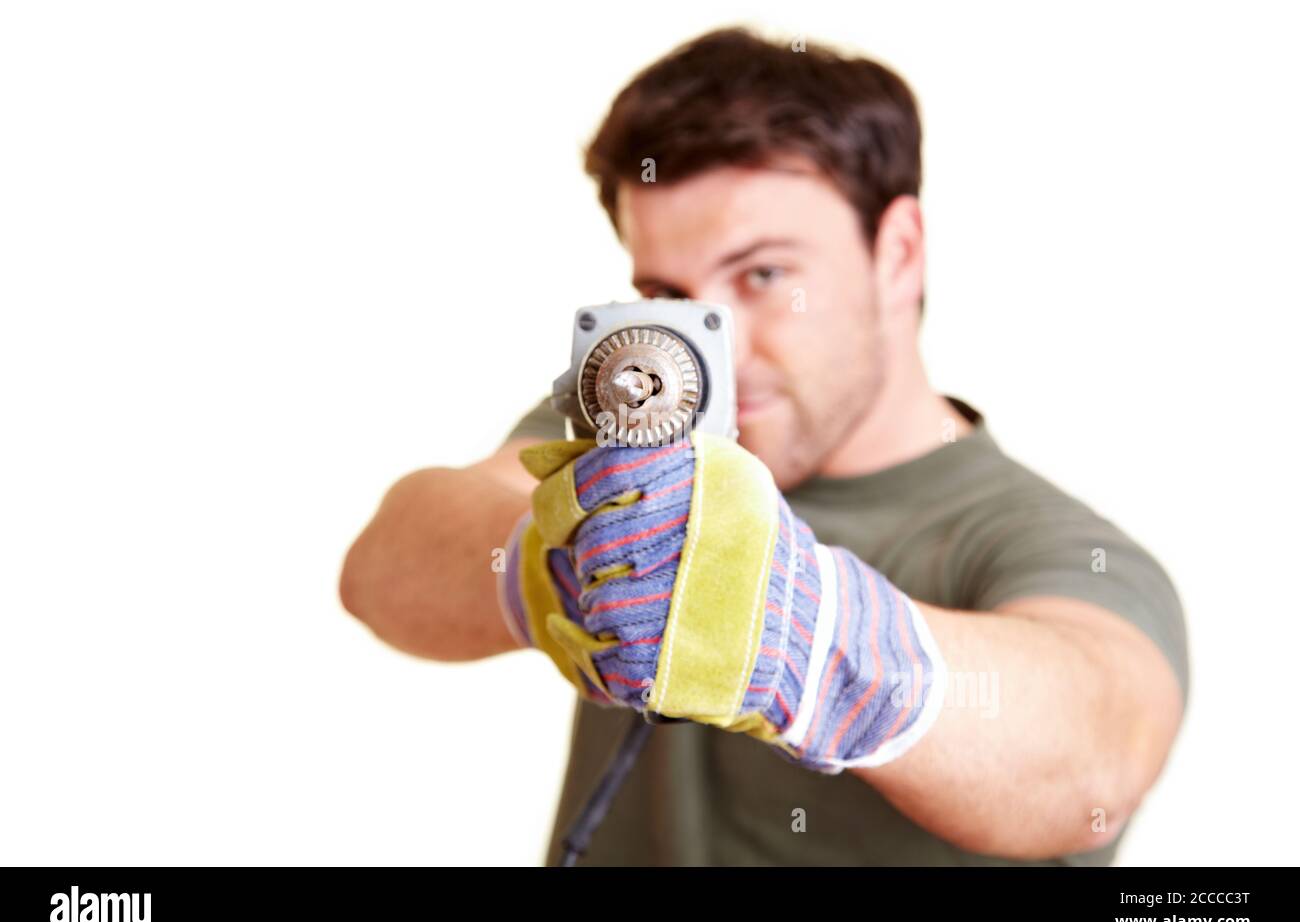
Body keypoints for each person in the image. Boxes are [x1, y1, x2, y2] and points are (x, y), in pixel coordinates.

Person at [340, 26, 1188, 865]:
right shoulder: (638, 415)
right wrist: (549, 566)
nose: (717, 352)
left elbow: (1091, 762)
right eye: (667, 296)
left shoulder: (1042, 542)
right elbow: (383, 569)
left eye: (764, 275)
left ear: (898, 254)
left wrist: (808, 637)